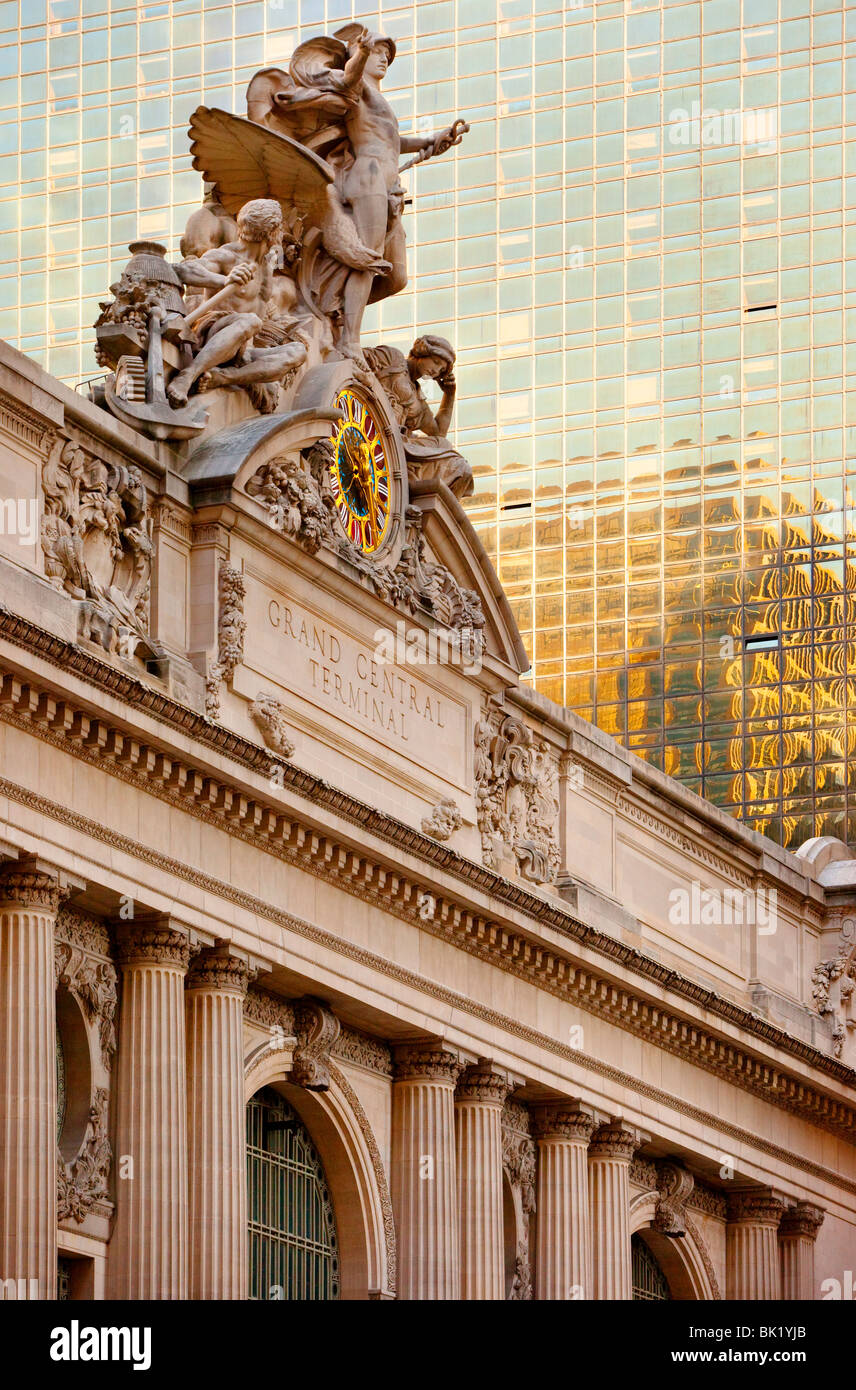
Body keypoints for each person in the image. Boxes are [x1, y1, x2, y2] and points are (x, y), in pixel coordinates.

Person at [168, 198, 306, 408]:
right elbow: (182, 270)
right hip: (214, 334)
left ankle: (222, 377)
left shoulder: (266, 265)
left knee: (297, 351)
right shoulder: (227, 255)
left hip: (244, 349)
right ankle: (188, 376)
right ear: (272, 233)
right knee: (250, 322)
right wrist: (223, 280)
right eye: (279, 230)